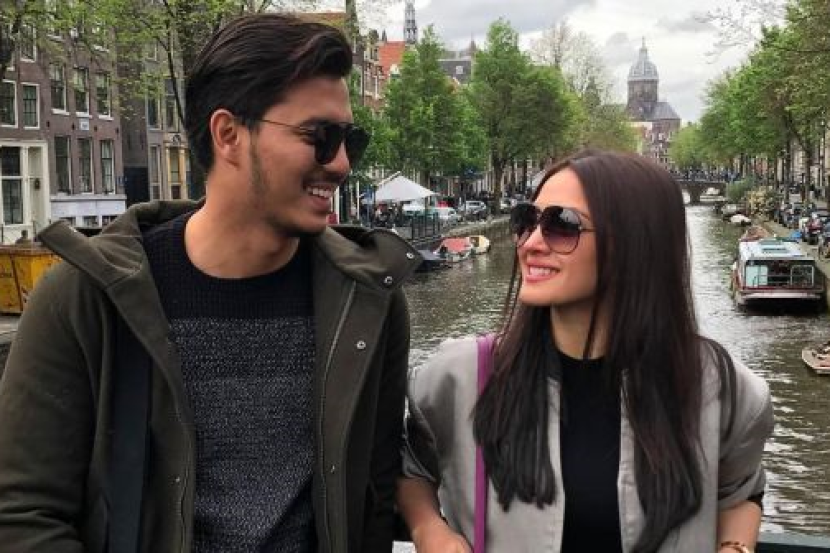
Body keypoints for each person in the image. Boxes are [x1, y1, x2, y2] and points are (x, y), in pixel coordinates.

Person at [0, 14, 420, 553]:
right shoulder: (83, 298)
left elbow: (375, 493)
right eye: (320, 137)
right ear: (228, 135)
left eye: (349, 139)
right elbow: (23, 515)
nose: (340, 164)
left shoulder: (370, 300)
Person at [398, 150, 774, 553]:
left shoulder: (723, 390)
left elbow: (740, 490)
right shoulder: (458, 377)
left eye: (562, 225)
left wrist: (735, 547)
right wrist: (429, 530)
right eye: (527, 220)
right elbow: (410, 466)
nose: (530, 243)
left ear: (636, 243)